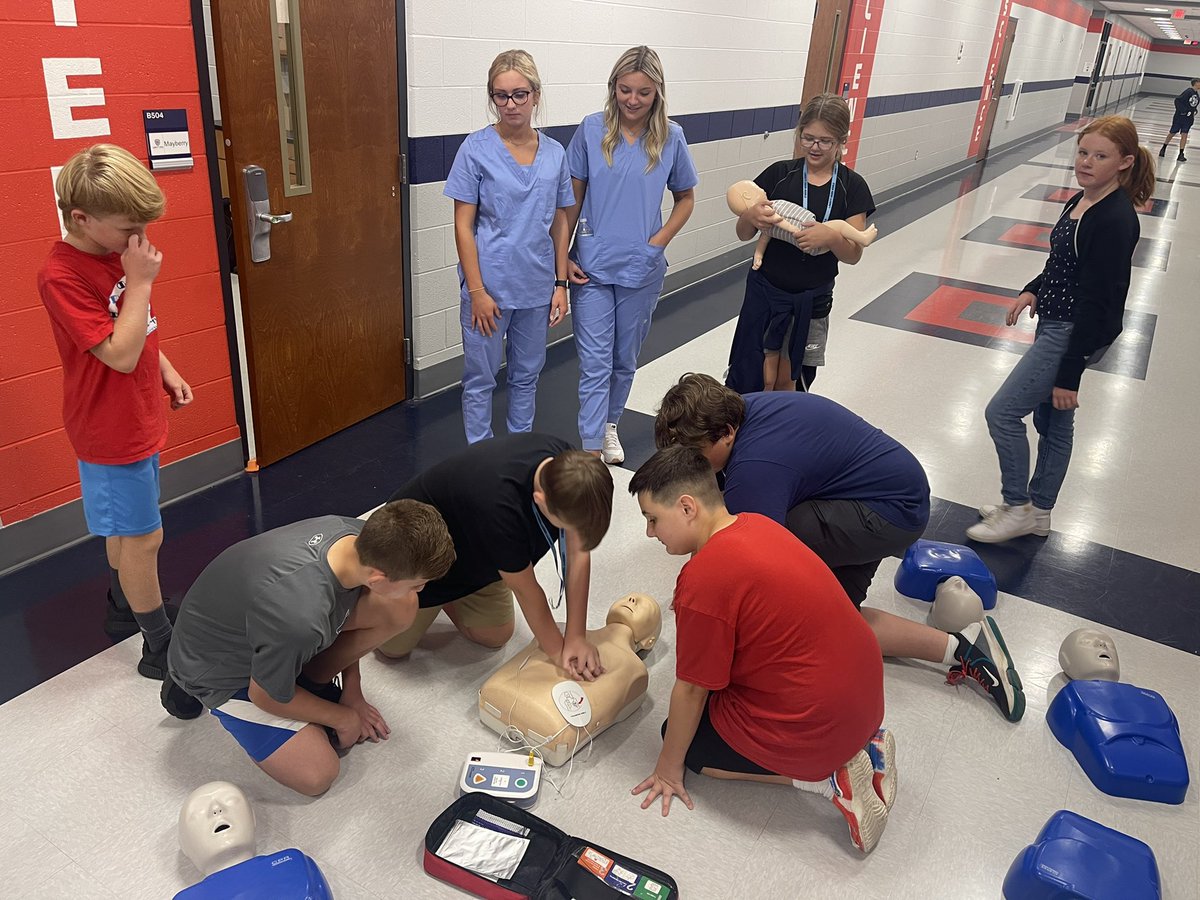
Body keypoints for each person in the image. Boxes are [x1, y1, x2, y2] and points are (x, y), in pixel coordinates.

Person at [655, 374, 1026, 722]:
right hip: (872, 492)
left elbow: (745, 552)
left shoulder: (755, 467)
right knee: (837, 626)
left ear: (726, 434)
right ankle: (965, 647)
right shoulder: (739, 407)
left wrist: (699, 605)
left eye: (698, 457)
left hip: (887, 512)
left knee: (759, 558)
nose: (694, 470)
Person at [628, 446, 895, 854]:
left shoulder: (704, 580)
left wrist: (667, 767)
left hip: (824, 725)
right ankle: (867, 748)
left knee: (684, 742)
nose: (650, 533)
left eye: (652, 519)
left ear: (686, 507)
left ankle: (828, 779)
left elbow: (692, 689)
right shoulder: (754, 523)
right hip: (866, 701)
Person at [167, 501, 455, 796]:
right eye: (417, 584)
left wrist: (352, 691)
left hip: (269, 627)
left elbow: (345, 605)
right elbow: (263, 695)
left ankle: (295, 680)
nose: (420, 590)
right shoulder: (299, 616)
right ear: (378, 579)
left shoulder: (356, 536)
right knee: (317, 773)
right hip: (219, 670)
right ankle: (199, 684)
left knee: (401, 605)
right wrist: (343, 718)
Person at [37, 144, 192, 681]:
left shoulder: (113, 255)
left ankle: (124, 605)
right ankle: (158, 644)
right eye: (130, 227)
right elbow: (118, 354)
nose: (140, 240)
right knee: (143, 536)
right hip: (108, 426)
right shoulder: (62, 274)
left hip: (137, 413)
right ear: (81, 218)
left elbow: (133, 326)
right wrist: (143, 281)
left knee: (126, 532)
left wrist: (166, 365)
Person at [969, 116, 1153, 544]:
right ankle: (1039, 511)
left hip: (1073, 332)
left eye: (1100, 156)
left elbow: (1097, 301)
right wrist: (1033, 290)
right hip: (1057, 321)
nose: (1086, 162)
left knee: (1003, 412)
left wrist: (1070, 373)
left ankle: (1017, 506)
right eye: (1083, 152)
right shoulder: (1081, 201)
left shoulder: (1114, 219)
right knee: (1054, 423)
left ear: (1125, 162)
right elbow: (1062, 263)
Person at [378, 434, 614, 681]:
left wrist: (576, 637)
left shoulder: (571, 466)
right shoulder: (501, 509)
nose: (572, 536)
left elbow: (578, 554)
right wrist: (559, 653)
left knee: (495, 636)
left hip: (476, 552)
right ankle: (432, 599)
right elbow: (526, 590)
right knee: (393, 647)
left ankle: (452, 600)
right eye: (567, 527)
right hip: (415, 556)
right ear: (540, 500)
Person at [565, 46, 698, 465]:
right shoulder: (590, 130)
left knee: (624, 357)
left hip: (642, 267)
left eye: (643, 92)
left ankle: (609, 424)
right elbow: (571, 200)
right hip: (591, 267)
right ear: (613, 88)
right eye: (625, 90)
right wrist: (562, 258)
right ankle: (589, 445)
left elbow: (686, 199)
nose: (633, 100)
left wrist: (656, 243)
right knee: (594, 359)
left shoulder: (671, 137)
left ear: (657, 92)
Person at [445, 50, 575, 444]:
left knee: (526, 376)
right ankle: (480, 459)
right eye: (501, 95)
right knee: (481, 378)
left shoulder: (554, 153)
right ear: (492, 97)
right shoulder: (476, 149)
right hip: (489, 289)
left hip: (536, 288)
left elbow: (559, 218)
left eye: (520, 94)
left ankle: (518, 452)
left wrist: (560, 283)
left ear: (535, 95)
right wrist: (478, 291)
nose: (510, 104)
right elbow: (462, 225)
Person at [725, 93, 875, 394]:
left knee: (795, 377)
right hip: (765, 294)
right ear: (799, 134)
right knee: (752, 370)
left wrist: (832, 237)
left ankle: (787, 431)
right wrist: (751, 216)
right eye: (808, 138)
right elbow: (743, 234)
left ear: (842, 140)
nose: (815, 147)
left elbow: (853, 255)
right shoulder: (780, 175)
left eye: (825, 141)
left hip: (812, 300)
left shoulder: (852, 186)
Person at [478, 593, 661, 766]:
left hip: (548, 726)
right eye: (631, 596)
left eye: (645, 604)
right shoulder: (561, 627)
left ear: (649, 641)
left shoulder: (634, 669)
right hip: (508, 695)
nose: (631, 599)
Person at [1158, 77, 1199, 162]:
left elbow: (1192, 104)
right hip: (1180, 117)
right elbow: (1177, 100)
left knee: (1185, 134)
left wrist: (1194, 110)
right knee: (1173, 132)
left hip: (1189, 118)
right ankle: (1164, 147)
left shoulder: (1196, 94)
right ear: (1196, 83)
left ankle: (1181, 153)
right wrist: (1183, 111)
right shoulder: (1188, 92)